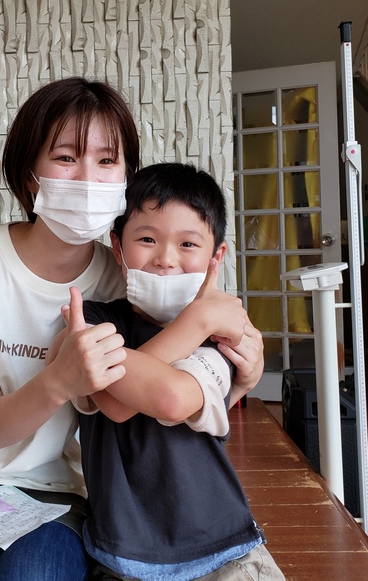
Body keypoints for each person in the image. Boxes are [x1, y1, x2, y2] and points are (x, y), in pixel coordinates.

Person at [0, 78, 264, 581]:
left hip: (57, 496)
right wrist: (60, 379)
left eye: (107, 161)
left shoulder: (133, 280)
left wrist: (246, 374)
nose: (88, 179)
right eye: (65, 158)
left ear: (126, 179)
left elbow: (169, 393)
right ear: (30, 174)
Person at [64, 162, 284, 580]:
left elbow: (171, 398)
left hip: (221, 551)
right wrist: (196, 322)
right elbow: (113, 403)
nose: (165, 260)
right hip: (120, 556)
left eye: (188, 244)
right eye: (147, 239)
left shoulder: (223, 334)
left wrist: (201, 323)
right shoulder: (94, 317)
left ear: (216, 257)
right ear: (117, 247)